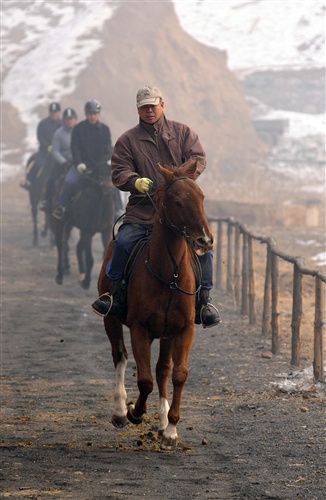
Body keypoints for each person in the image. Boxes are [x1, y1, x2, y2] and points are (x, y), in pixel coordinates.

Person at [91, 85, 221, 329]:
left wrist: (179, 178)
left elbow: (198, 159)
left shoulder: (183, 133)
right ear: (138, 109)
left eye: (153, 105)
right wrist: (134, 181)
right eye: (144, 106)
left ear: (162, 104)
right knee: (122, 243)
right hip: (142, 212)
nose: (149, 110)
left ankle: (203, 302)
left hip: (179, 213)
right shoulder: (127, 140)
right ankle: (115, 298)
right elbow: (119, 170)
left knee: (204, 247)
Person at [52, 99, 122, 220]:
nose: (92, 116)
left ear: (98, 114)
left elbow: (108, 149)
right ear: (86, 114)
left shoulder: (105, 129)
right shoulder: (78, 128)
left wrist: (107, 162)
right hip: (82, 166)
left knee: (114, 184)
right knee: (69, 181)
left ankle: (119, 210)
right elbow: (75, 147)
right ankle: (61, 206)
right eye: (90, 113)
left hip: (100, 167)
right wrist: (79, 163)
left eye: (95, 113)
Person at [40, 107, 77, 213]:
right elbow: (55, 151)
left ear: (75, 119)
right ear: (64, 120)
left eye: (71, 119)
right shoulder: (58, 133)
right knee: (51, 179)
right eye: (67, 119)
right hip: (62, 164)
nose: (69, 121)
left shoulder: (80, 132)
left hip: (77, 163)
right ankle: (46, 201)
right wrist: (63, 162)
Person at [20, 102, 62, 190]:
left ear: (59, 112)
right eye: (52, 112)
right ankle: (29, 182)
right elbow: (40, 137)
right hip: (45, 151)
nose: (54, 114)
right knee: (37, 164)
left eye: (56, 112)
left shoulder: (63, 124)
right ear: (49, 112)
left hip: (59, 152)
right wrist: (47, 146)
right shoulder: (43, 124)